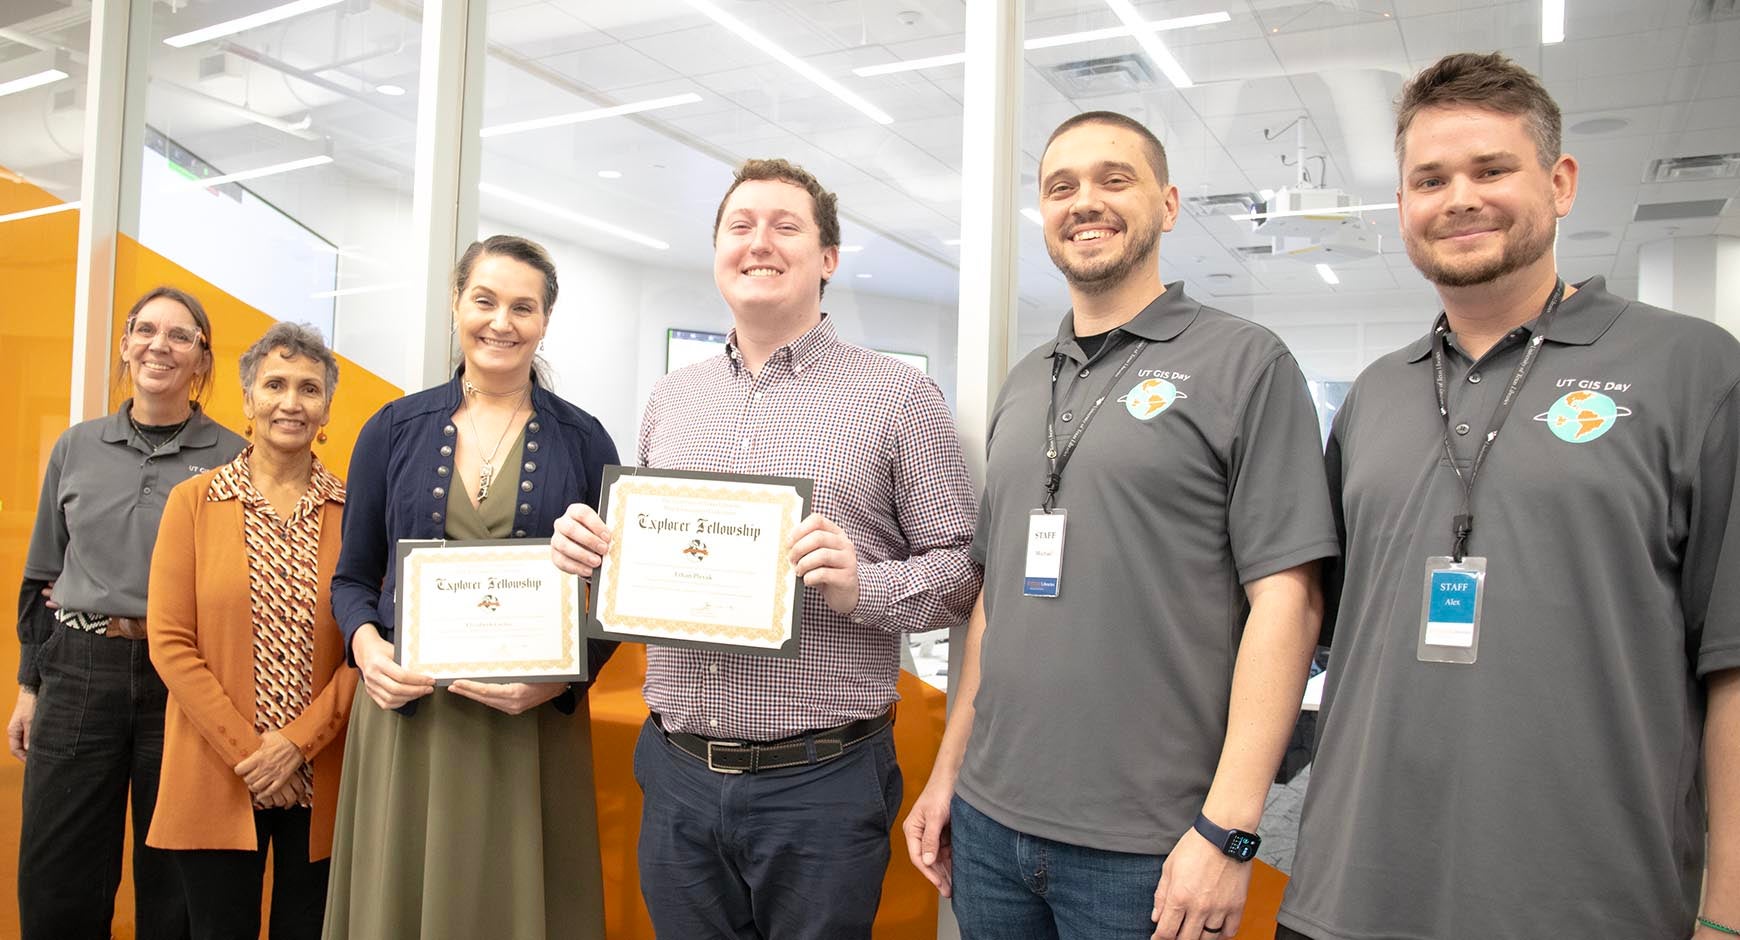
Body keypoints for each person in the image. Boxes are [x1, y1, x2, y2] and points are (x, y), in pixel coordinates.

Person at [1276, 52, 1739, 940]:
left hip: (1585, 902)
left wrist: (1727, 916)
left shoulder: (1695, 370)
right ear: (1404, 205)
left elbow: (1733, 662)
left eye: (1492, 169)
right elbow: (1309, 624)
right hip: (1348, 893)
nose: (1460, 198)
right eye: (1430, 178)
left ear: (1560, 182)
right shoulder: (1374, 394)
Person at [902, 111, 1337, 940]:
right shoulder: (1027, 383)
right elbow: (996, 602)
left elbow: (1291, 603)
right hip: (992, 827)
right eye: (1060, 186)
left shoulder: (1246, 363)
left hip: (1150, 845)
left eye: (1114, 178)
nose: (1084, 201)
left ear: (1169, 204)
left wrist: (1231, 830)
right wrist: (948, 771)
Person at [551, 158, 980, 939]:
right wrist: (597, 560)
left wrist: (863, 588)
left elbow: (959, 571)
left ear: (827, 259)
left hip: (821, 784)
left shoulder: (898, 396)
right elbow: (658, 572)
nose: (760, 244)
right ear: (717, 251)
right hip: (676, 773)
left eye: (787, 227)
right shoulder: (672, 399)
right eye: (740, 227)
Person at [322, 235, 619, 940]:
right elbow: (353, 577)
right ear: (456, 303)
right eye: (484, 300)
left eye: (523, 306)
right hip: (408, 725)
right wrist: (367, 652)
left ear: (545, 321)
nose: (500, 322)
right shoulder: (391, 431)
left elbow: (616, 600)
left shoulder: (585, 440)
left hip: (528, 733)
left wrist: (561, 683)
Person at [11, 286, 246, 940]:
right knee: (60, 869)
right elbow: (41, 577)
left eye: (180, 336)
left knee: (173, 877)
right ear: (124, 346)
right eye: (146, 331)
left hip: (185, 678)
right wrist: (29, 688)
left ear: (202, 359)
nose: (159, 346)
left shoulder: (234, 459)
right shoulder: (76, 447)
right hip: (78, 668)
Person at [145, 322, 357, 939]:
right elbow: (171, 643)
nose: (291, 402)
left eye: (309, 389)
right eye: (275, 385)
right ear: (247, 400)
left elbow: (368, 648)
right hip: (217, 772)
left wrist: (295, 744)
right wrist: (256, 756)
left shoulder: (355, 510)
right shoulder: (193, 501)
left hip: (324, 774)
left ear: (325, 410)